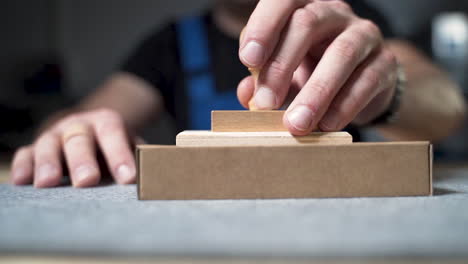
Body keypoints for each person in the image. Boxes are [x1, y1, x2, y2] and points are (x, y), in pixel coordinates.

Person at [10, 0, 466, 188]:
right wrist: (72, 132)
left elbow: (448, 109)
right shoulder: (169, 44)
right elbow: (68, 124)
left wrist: (389, 90)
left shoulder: (349, 18)